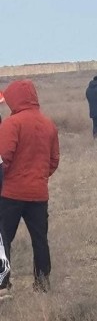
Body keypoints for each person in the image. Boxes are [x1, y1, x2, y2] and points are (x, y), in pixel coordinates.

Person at [0, 80, 60, 293]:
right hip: (38, 193)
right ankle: (42, 283)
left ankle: (3, 282)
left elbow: (3, 158)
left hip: (10, 193)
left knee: (4, 238)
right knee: (40, 239)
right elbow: (53, 161)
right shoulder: (48, 124)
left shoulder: (11, 124)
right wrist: (39, 177)